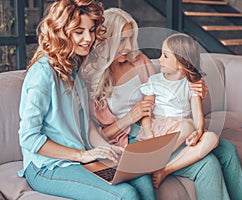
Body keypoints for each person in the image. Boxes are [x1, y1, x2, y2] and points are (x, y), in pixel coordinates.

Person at [80, 7, 242, 200]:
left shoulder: (139, 61)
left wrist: (196, 85)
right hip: (134, 139)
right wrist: (129, 118)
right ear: (106, 40)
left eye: (130, 38)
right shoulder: (89, 78)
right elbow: (91, 136)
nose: (129, 47)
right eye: (121, 40)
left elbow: (170, 85)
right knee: (207, 163)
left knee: (228, 151)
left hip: (161, 127)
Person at [18, 1, 154, 199]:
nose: (88, 38)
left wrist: (107, 149)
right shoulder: (43, 73)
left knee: (144, 182)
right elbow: (29, 137)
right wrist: (81, 155)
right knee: (126, 195)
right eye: (79, 32)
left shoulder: (75, 69)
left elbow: (86, 124)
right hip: (46, 167)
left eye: (91, 30)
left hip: (79, 158)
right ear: (62, 32)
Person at [136, 33, 220, 188]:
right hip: (160, 132)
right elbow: (146, 110)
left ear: (181, 63)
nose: (160, 59)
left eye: (165, 56)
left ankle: (165, 169)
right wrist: (148, 132)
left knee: (212, 138)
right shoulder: (154, 81)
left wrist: (199, 132)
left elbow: (197, 114)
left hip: (184, 133)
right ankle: (153, 158)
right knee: (186, 126)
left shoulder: (191, 84)